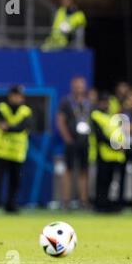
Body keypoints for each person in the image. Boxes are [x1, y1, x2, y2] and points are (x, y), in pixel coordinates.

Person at [0, 85, 33, 213]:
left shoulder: (26, 111)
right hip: (2, 151)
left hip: (17, 152)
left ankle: (11, 205)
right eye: (15, 95)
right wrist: (14, 128)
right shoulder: (2, 108)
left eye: (19, 95)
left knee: (15, 181)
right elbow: (2, 125)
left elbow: (22, 127)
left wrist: (10, 128)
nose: (17, 98)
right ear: (10, 96)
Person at [56, 76, 92, 210]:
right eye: (77, 85)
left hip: (85, 141)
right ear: (72, 87)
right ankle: (66, 201)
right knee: (68, 170)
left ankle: (83, 200)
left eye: (81, 85)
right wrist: (66, 138)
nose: (79, 88)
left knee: (84, 170)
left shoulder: (88, 102)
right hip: (71, 141)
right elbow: (60, 120)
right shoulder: (66, 102)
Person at [91, 92, 126, 213]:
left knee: (111, 181)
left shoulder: (112, 117)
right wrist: (115, 146)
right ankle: (100, 205)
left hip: (115, 156)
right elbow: (100, 136)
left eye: (107, 102)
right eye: (103, 102)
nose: (106, 104)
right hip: (103, 153)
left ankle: (108, 204)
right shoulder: (96, 115)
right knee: (102, 181)